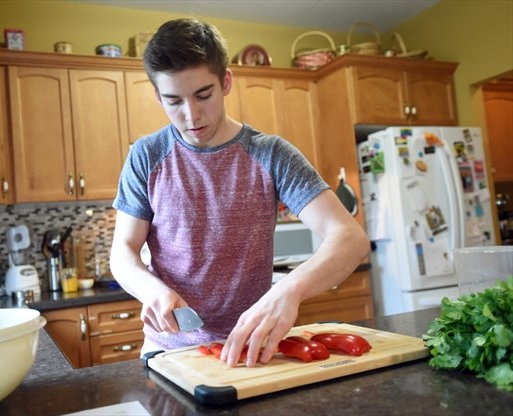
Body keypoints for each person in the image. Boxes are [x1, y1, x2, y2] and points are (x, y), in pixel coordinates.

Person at [110, 18, 370, 368]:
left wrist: (289, 290)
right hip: (169, 350)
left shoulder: (271, 154)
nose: (191, 115)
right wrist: (151, 290)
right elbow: (123, 252)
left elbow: (350, 238)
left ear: (226, 82)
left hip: (251, 349)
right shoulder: (146, 156)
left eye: (204, 95)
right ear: (158, 95)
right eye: (173, 101)